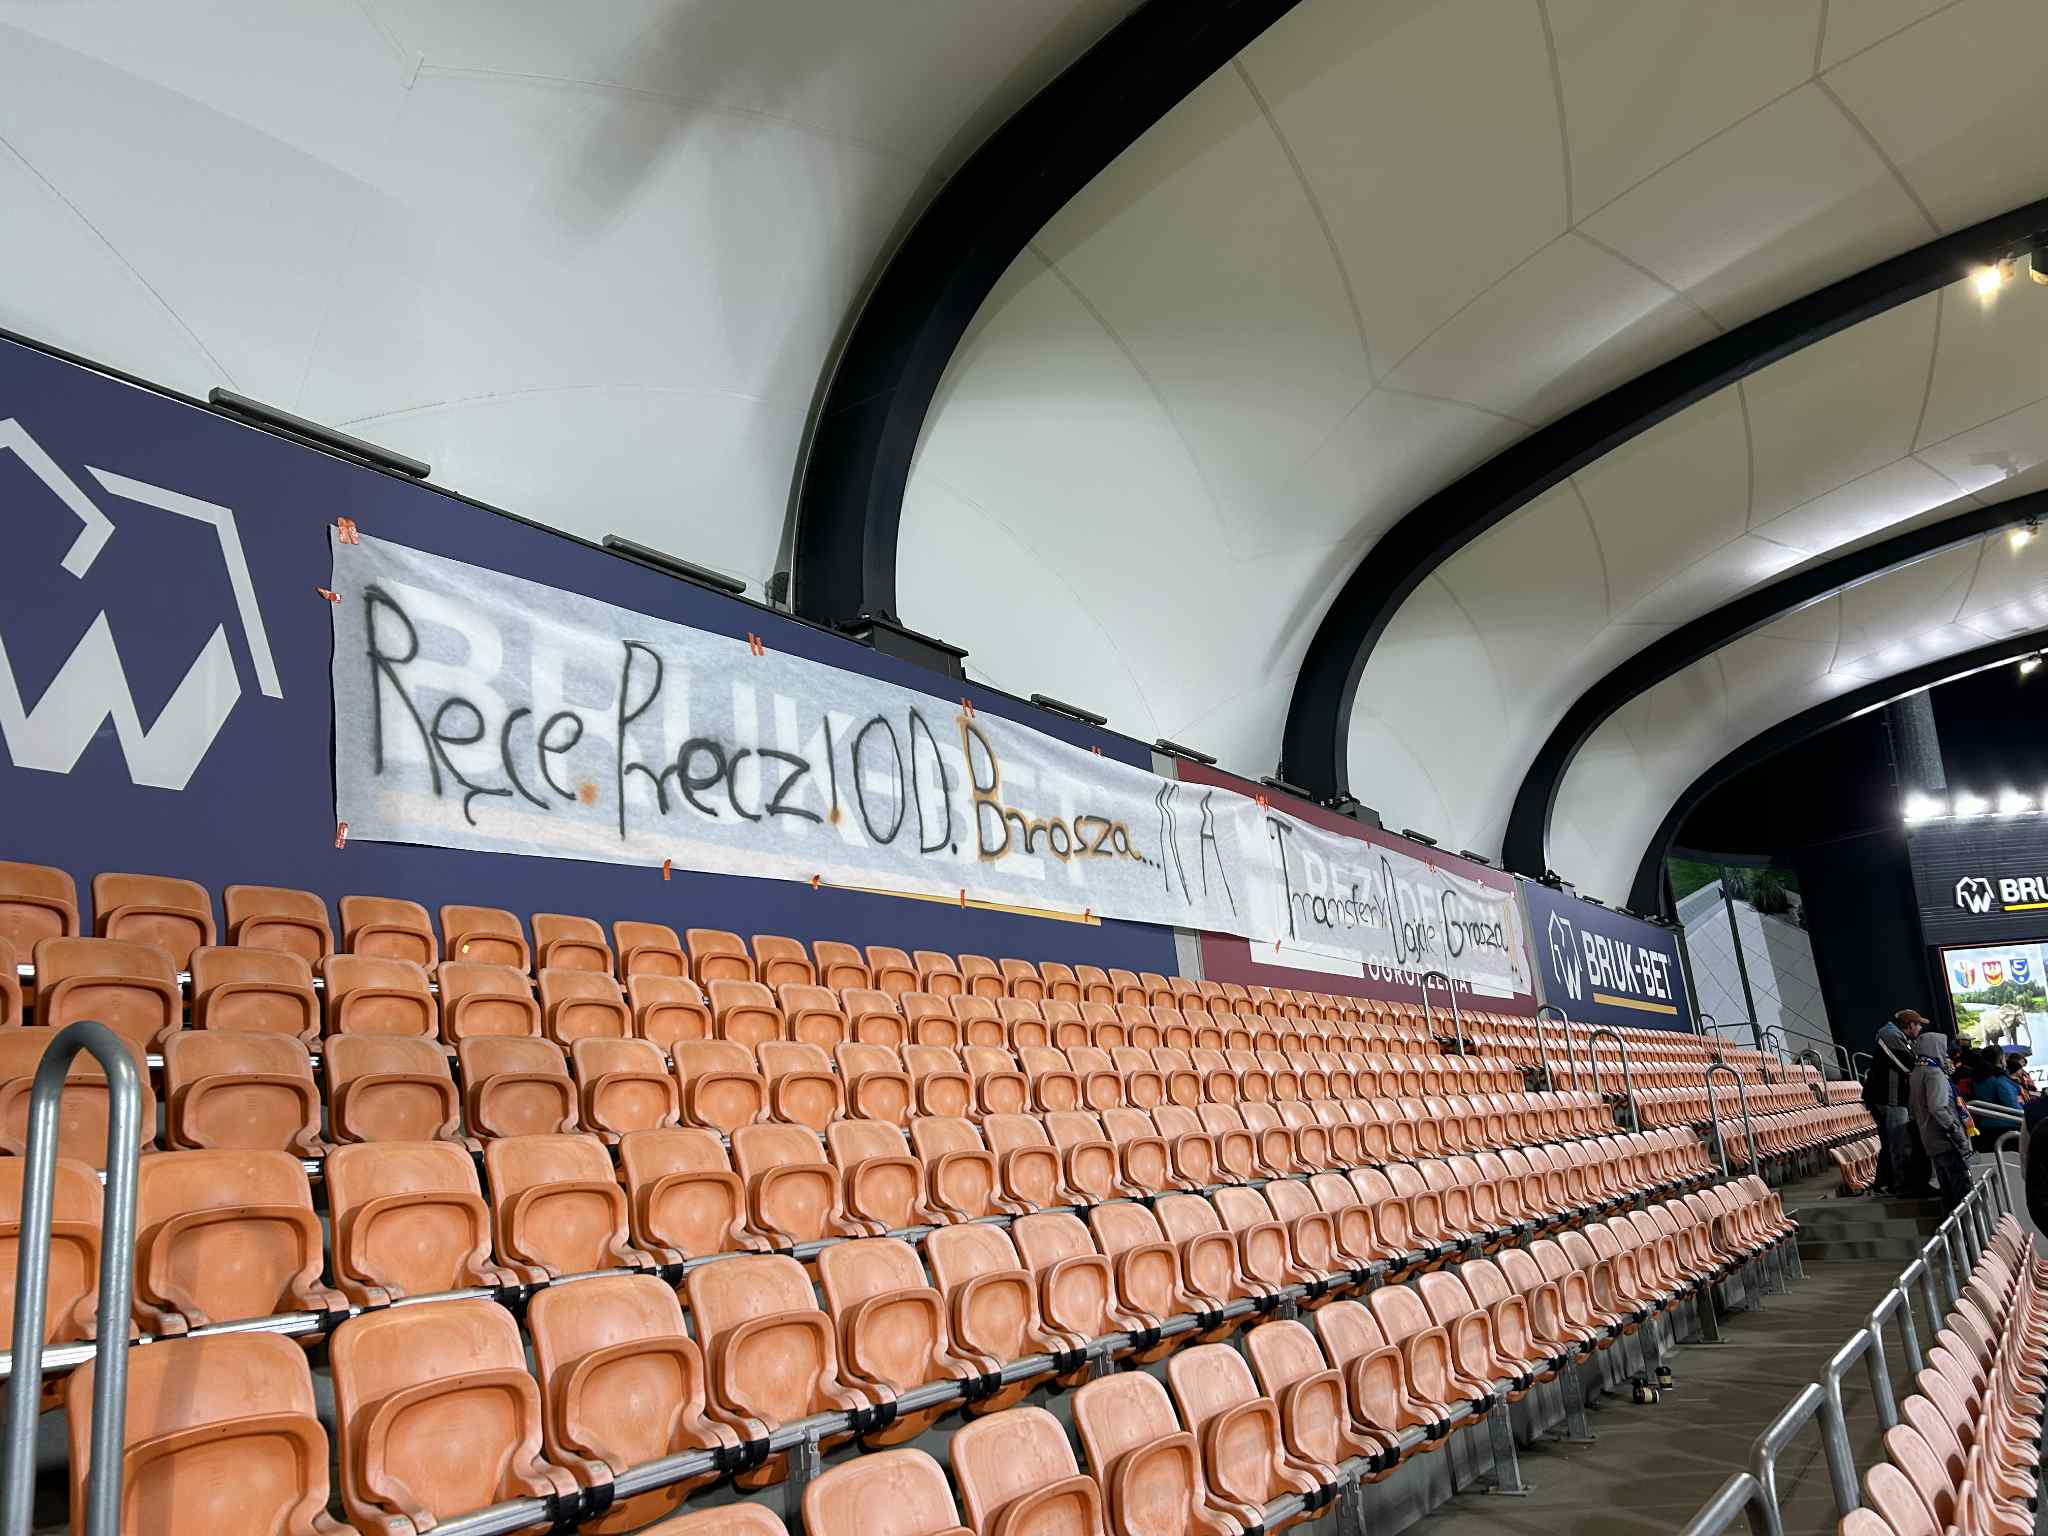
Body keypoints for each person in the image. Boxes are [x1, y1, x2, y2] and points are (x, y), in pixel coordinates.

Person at [1909, 1032, 1973, 1212]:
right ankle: (1965, 1228)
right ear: (1935, 1048)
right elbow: (1938, 1107)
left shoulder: (1917, 1072)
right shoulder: (1934, 1073)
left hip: (1930, 1138)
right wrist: (1955, 1129)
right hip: (1946, 1139)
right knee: (1960, 1192)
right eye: (1943, 1049)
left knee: (1948, 1192)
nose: (1945, 1054)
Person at [1862, 1010, 1925, 1193]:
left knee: (1892, 1141)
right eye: (1918, 1024)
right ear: (1909, 1025)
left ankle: (1885, 1182)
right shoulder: (1891, 1036)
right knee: (1899, 1141)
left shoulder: (1899, 1037)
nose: (1920, 1028)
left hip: (1892, 1097)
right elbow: (1907, 1065)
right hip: (1889, 1098)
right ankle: (1902, 1184)